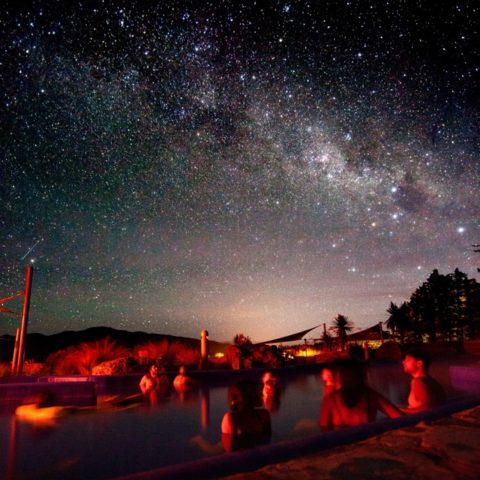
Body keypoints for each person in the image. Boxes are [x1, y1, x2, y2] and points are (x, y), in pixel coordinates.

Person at [319, 358, 403, 431]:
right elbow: (400, 417)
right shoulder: (371, 395)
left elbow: (324, 430)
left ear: (340, 377)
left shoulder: (331, 399)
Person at [221, 380, 271, 452]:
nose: (262, 394)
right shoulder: (231, 418)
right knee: (212, 450)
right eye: (257, 392)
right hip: (239, 461)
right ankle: (198, 440)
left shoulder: (264, 415)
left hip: (260, 458)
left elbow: (268, 441)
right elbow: (229, 451)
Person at [402, 347, 446, 412]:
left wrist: (403, 411)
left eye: (408, 360)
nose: (403, 362)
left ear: (419, 363)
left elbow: (428, 409)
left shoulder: (419, 381)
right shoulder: (431, 381)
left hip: (422, 420)